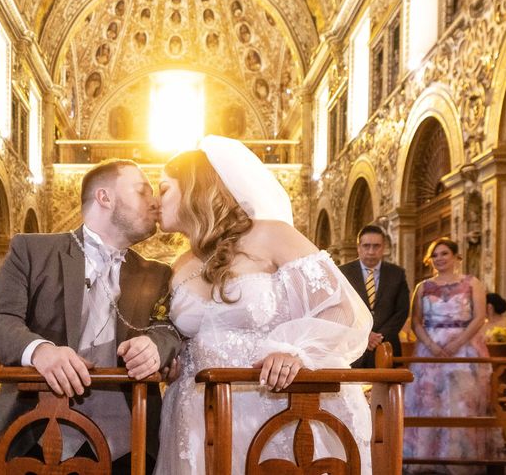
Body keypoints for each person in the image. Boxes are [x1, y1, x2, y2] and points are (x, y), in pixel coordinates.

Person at [154, 136, 374, 474]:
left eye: (164, 188)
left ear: (194, 188)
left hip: (272, 404)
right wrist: (172, 359)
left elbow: (342, 309)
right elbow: (184, 335)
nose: (155, 200)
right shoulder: (179, 264)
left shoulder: (271, 235)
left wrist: (295, 350)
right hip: (197, 413)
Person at [0, 159, 182, 475]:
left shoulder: (157, 274)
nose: (154, 201)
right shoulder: (32, 251)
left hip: (128, 444)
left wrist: (157, 346)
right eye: (142, 190)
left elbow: (168, 327)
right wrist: (41, 351)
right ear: (105, 197)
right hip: (32, 435)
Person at [402, 237, 503, 473]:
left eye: (444, 253)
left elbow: (479, 318)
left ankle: (459, 461)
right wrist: (430, 345)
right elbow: (416, 321)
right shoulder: (423, 287)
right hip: (429, 351)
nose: (439, 258)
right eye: (435, 255)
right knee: (428, 402)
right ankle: (426, 460)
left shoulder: (472, 283)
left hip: (464, 348)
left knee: (461, 403)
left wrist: (457, 342)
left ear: (456, 257)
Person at [339, 224, 410, 367]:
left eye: (376, 246)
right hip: (353, 348)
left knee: (385, 388)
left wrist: (378, 337)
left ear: (383, 248)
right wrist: (364, 335)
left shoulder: (397, 274)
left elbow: (402, 311)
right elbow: (340, 309)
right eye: (366, 246)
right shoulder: (342, 273)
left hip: (386, 346)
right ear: (358, 247)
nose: (371, 251)